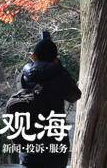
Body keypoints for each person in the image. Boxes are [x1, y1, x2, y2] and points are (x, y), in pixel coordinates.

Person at [17, 31, 81, 168]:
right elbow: (74, 96)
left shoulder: (25, 75)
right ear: (55, 57)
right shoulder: (60, 75)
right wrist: (59, 67)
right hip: (55, 140)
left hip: (29, 141)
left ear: (34, 56)